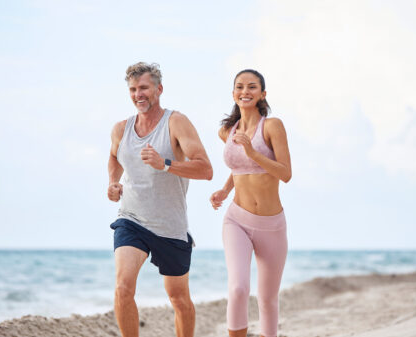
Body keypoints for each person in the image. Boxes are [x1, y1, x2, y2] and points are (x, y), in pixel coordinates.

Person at [108, 62, 213, 337]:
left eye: (143, 87)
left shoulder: (176, 122)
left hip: (170, 226)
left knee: (179, 299)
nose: (138, 94)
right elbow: (114, 156)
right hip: (131, 219)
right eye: (133, 89)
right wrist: (113, 182)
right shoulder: (121, 128)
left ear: (159, 89)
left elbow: (205, 169)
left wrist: (165, 163)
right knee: (122, 287)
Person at [209, 69, 292, 337]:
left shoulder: (272, 126)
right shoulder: (226, 131)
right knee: (238, 289)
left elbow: (285, 173)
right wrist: (223, 190)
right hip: (237, 220)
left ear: (262, 94)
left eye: (252, 87)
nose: (245, 91)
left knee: (267, 300)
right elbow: (239, 169)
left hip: (271, 225)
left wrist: (253, 151)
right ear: (233, 93)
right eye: (240, 87)